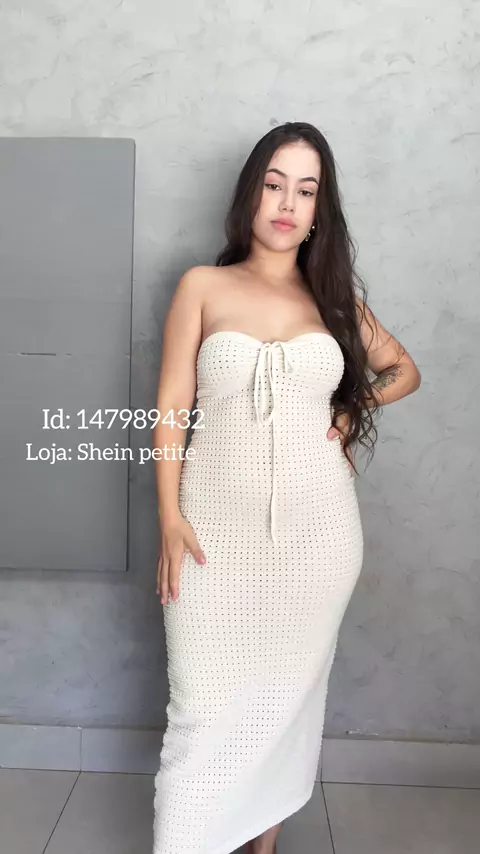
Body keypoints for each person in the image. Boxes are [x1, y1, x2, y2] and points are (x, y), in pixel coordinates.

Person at [152, 121, 421, 854]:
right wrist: (169, 516)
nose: (286, 203)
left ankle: (262, 846)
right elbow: (171, 407)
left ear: (318, 211)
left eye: (306, 191)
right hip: (210, 532)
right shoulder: (203, 286)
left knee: (284, 703)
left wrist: (351, 407)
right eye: (274, 184)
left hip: (317, 536)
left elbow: (403, 370)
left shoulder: (333, 300)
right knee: (201, 707)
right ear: (251, 193)